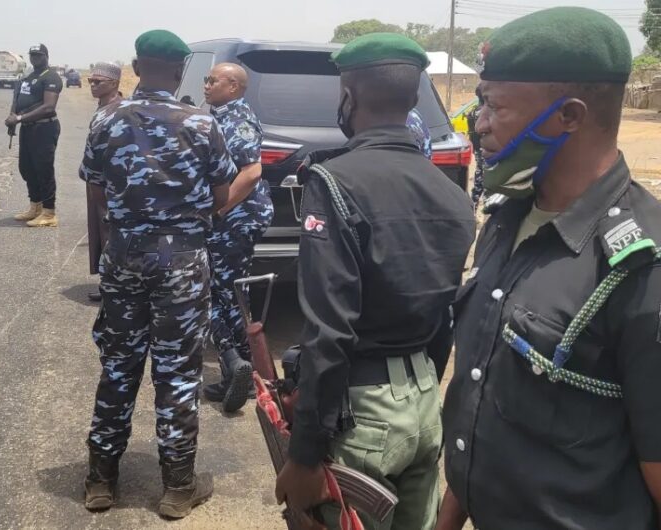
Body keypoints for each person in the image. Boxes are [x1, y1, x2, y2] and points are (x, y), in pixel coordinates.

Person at [437, 8, 661, 530]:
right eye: (479, 102)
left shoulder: (641, 268)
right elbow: (482, 412)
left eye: (494, 105)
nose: (477, 122)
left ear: (570, 116)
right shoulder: (507, 217)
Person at [274, 33, 476, 530]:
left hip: (362, 411)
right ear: (413, 99)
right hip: (424, 405)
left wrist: (304, 454)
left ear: (349, 96)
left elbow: (330, 331)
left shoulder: (334, 182)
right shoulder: (450, 192)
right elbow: (445, 314)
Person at [78, 30, 235, 518]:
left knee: (119, 365)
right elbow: (222, 196)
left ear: (135, 67)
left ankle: (101, 481)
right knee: (179, 373)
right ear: (182, 70)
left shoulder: (106, 119)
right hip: (182, 262)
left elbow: (97, 191)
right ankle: (177, 488)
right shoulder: (202, 123)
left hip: (125, 254)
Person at [200, 62, 274, 412]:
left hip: (235, 218)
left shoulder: (237, 118)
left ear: (233, 86)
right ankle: (238, 367)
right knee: (226, 291)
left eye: (212, 80)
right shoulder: (221, 114)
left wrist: (217, 210)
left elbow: (252, 171)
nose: (206, 85)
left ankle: (241, 367)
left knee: (222, 291)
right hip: (231, 218)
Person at [5, 44, 63, 228]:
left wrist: (19, 118)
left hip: (44, 128)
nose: (35, 58)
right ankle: (35, 207)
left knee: (43, 169)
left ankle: (49, 212)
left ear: (46, 56)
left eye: (39, 55)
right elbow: (17, 99)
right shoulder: (28, 77)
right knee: (27, 168)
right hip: (27, 129)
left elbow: (48, 107)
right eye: (32, 55)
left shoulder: (51, 77)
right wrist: (13, 118)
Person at [85, 62, 123, 302]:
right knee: (100, 232)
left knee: (110, 234)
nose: (93, 85)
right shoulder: (103, 107)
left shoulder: (119, 110)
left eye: (98, 82)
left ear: (114, 83)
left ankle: (113, 285)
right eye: (91, 81)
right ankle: (106, 281)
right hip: (97, 181)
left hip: (111, 185)